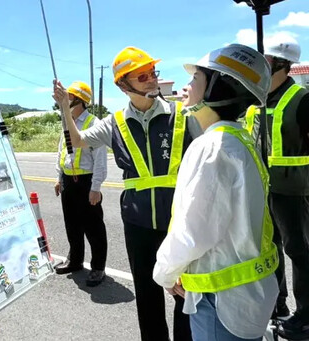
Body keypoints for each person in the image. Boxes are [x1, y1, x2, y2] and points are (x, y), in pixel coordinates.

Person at [53, 47, 201, 341]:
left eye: (152, 74)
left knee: (185, 294)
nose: (151, 81)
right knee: (147, 295)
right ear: (124, 85)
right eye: (142, 76)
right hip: (138, 223)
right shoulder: (115, 122)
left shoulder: (183, 114)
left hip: (180, 222)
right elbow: (79, 141)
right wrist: (63, 107)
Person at [153, 43, 278, 341]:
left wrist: (165, 273)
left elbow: (195, 230)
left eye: (195, 78)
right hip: (245, 295)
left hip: (221, 303)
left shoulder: (214, 148)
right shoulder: (238, 139)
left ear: (217, 88)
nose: (186, 86)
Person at [243, 34, 309, 339]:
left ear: (281, 63)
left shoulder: (304, 101)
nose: (260, 66)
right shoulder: (259, 100)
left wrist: (308, 176)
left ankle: (307, 317)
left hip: (293, 191)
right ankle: (277, 305)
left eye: (265, 60)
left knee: (300, 252)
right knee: (270, 249)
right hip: (264, 190)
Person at [54, 81, 108, 287]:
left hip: (86, 181)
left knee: (93, 227)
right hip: (69, 180)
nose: (64, 101)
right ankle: (75, 260)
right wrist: (59, 178)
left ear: (79, 100)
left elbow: (100, 160)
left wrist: (95, 188)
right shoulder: (67, 122)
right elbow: (61, 151)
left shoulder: (94, 124)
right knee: (72, 224)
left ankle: (98, 267)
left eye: (68, 98)